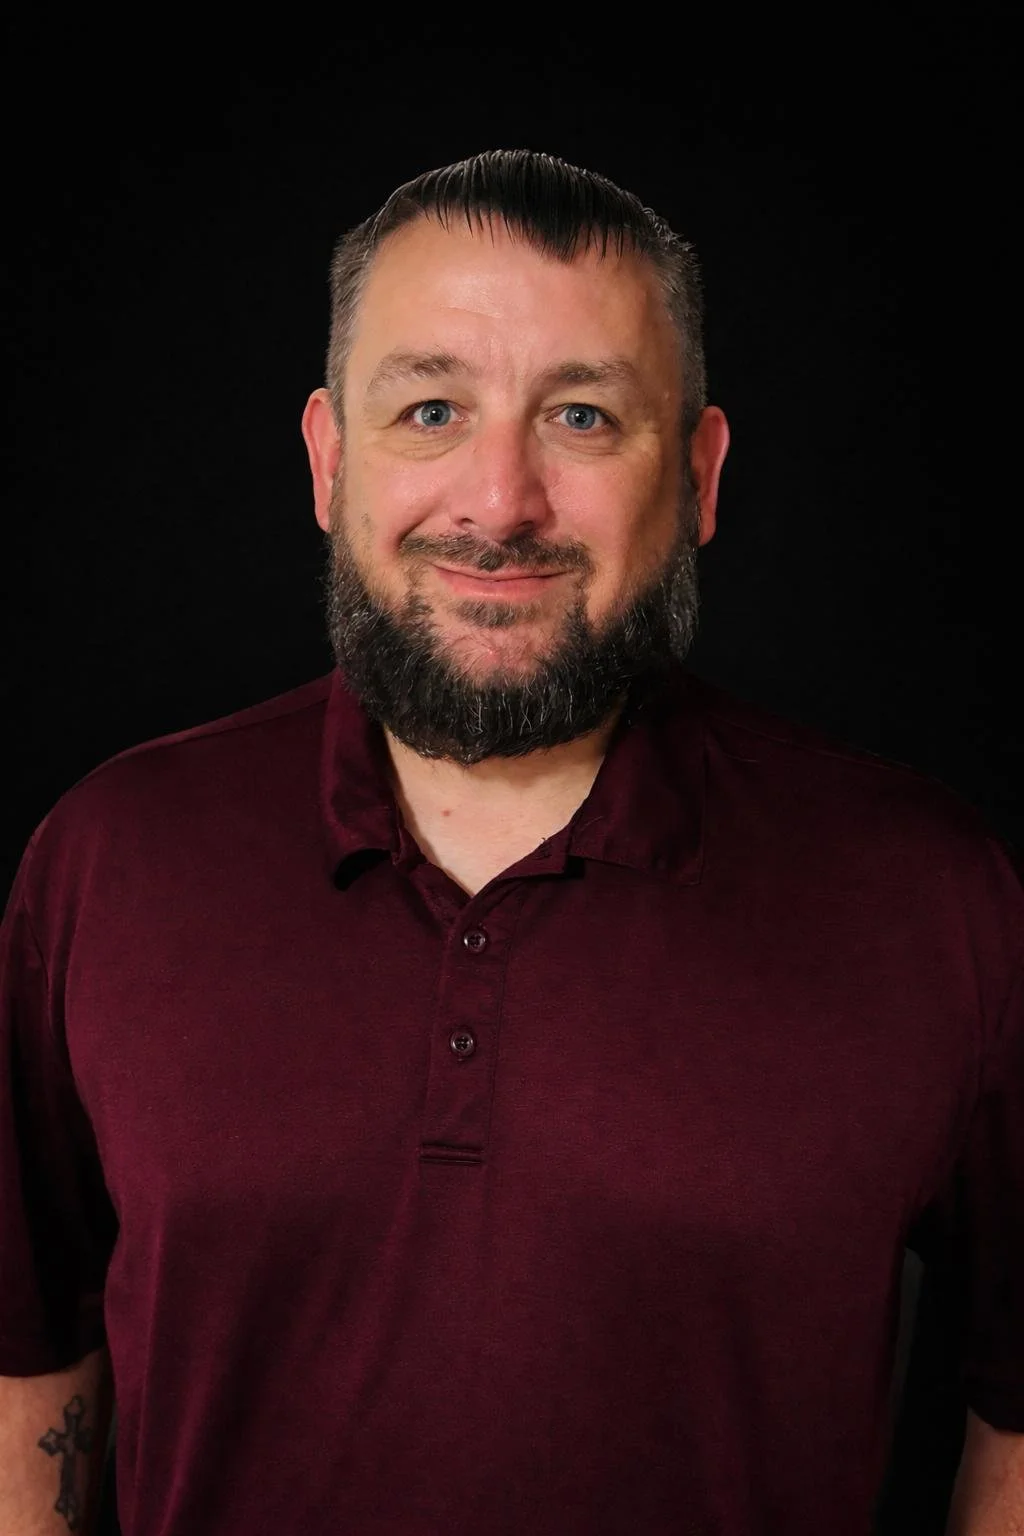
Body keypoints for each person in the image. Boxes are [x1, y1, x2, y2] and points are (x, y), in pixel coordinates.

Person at [0, 149, 1021, 1536]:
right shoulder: (109, 859)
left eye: (583, 417)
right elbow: (31, 1362)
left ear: (701, 475)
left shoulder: (933, 898)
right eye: (432, 409)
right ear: (330, 459)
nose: (500, 502)